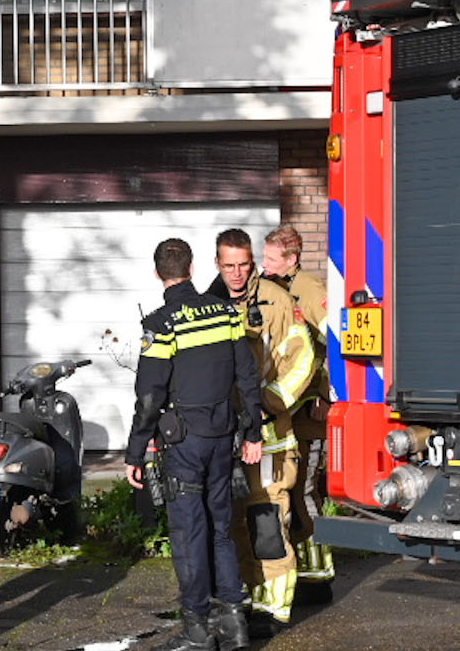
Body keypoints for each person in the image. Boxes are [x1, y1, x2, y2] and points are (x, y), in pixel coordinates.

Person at [126, 237, 265, 651]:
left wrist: (136, 452)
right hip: (223, 438)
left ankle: (197, 631)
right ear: (192, 267)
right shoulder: (225, 312)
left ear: (158, 273)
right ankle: (235, 625)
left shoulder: (161, 323)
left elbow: (149, 396)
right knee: (221, 529)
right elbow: (248, 375)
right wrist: (253, 431)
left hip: (183, 443)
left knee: (189, 533)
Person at [208, 228, 315, 637]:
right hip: (225, 437)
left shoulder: (277, 300)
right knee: (234, 522)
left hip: (270, 437)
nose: (237, 273)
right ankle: (249, 601)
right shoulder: (208, 304)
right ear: (217, 264)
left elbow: (302, 357)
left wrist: (272, 400)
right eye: (229, 265)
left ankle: (276, 610)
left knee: (267, 520)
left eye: (244, 264)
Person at [259, 225, 337, 599]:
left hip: (309, 409)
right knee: (290, 488)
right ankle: (304, 567)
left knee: (305, 489)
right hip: (288, 408)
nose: (263, 264)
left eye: (270, 259)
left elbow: (335, 342)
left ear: (291, 259)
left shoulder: (309, 290)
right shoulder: (274, 290)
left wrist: (326, 393)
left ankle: (318, 574)